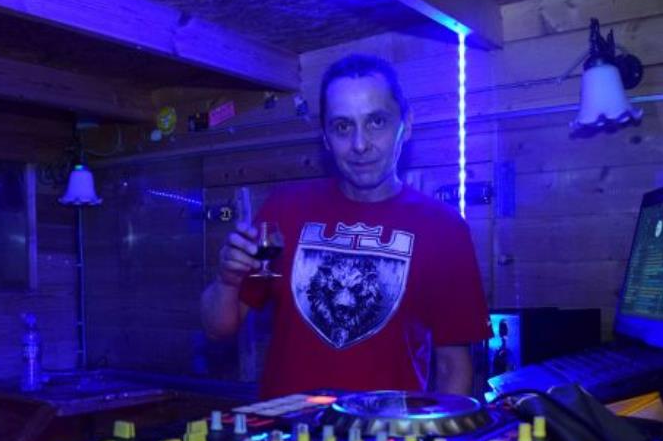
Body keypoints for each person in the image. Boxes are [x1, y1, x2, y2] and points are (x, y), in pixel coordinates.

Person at [200, 54, 490, 398]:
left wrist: (440, 434)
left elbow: (453, 367)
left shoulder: (444, 229)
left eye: (376, 122)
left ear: (406, 124)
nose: (360, 144)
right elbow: (218, 327)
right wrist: (227, 280)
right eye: (342, 126)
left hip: (388, 432)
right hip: (287, 429)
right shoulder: (285, 209)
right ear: (325, 136)